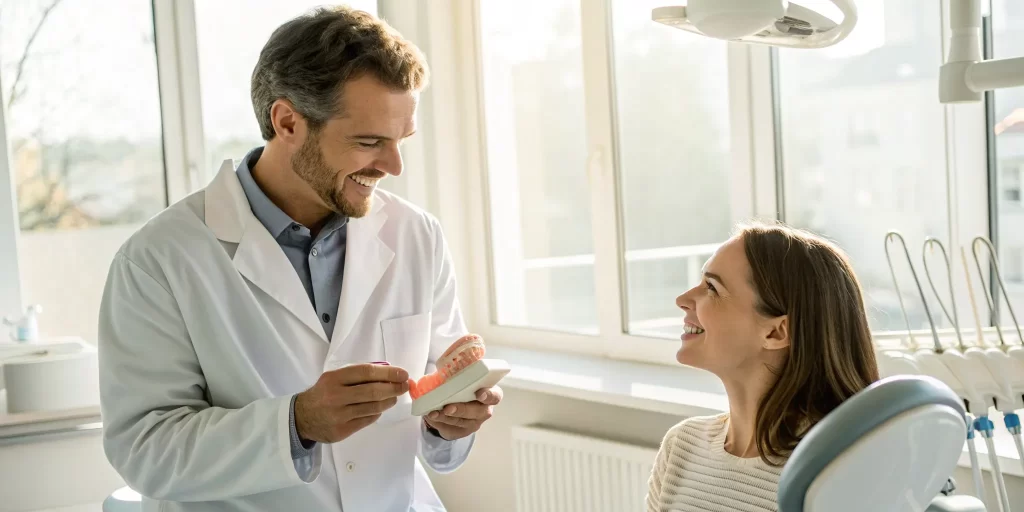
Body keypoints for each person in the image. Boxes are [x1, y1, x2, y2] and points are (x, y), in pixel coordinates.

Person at [97, 7, 499, 511]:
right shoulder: (160, 259)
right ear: (287, 122)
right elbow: (145, 451)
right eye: (369, 142)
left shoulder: (417, 235)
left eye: (401, 141)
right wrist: (297, 423)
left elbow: (436, 402)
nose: (394, 166)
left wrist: (451, 421)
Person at [646, 222, 879, 512]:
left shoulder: (833, 472)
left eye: (712, 288)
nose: (682, 300)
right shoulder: (681, 447)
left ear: (776, 332)